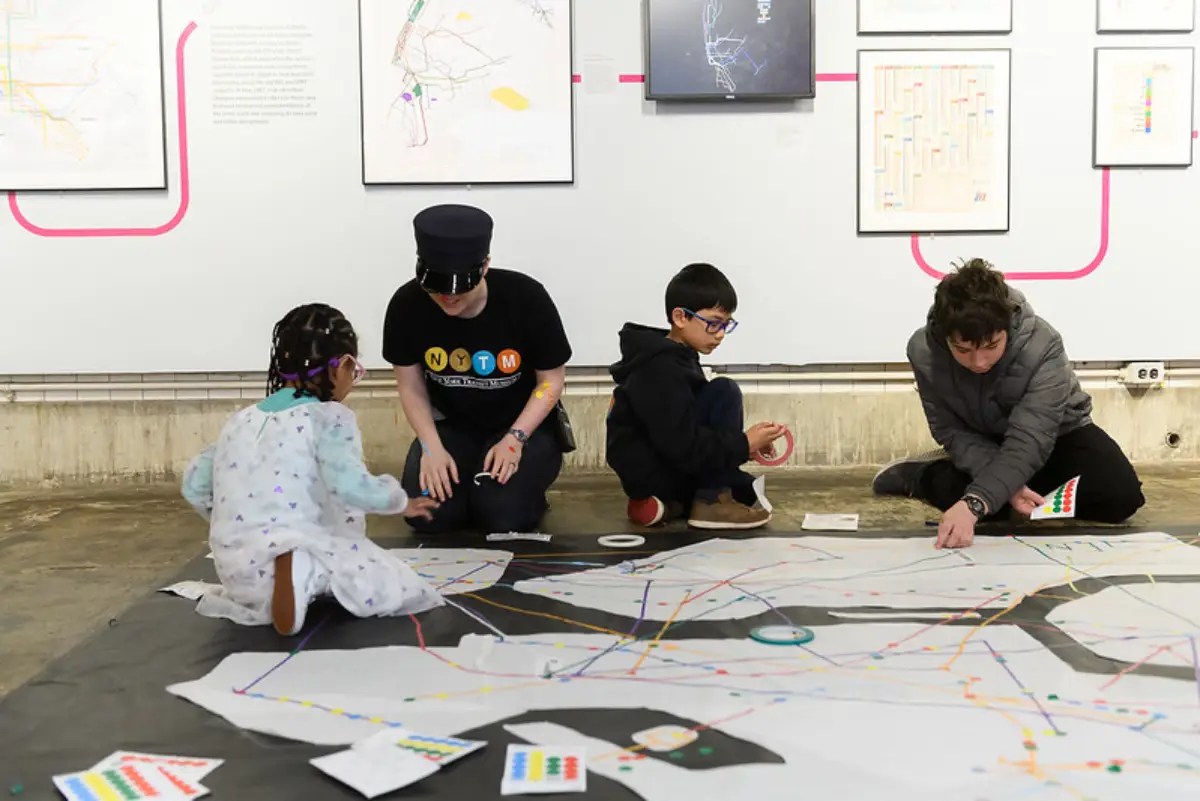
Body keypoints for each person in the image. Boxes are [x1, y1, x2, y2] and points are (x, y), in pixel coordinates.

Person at [181, 303, 444, 636]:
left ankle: (293, 575)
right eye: (354, 370)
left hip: (238, 573)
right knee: (393, 582)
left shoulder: (241, 420)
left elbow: (193, 485)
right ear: (343, 366)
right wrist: (400, 502)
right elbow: (349, 485)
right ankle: (303, 568)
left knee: (297, 564)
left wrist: (235, 519)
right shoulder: (328, 418)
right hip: (294, 548)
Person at [873, 259, 1145, 549]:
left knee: (1120, 496)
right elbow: (950, 430)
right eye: (962, 350)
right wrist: (992, 495)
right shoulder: (924, 351)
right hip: (982, 439)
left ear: (1007, 328)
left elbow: (1031, 438)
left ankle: (1004, 484)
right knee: (992, 508)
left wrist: (977, 500)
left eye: (991, 346)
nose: (979, 362)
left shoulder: (1043, 345)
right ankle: (922, 474)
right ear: (944, 335)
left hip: (1056, 434)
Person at [383, 203, 573, 534]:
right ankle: (471, 490)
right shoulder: (406, 305)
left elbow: (551, 382)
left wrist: (515, 439)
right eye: (436, 288)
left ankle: (512, 492)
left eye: (459, 288)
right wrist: (430, 446)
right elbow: (410, 385)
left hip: (522, 425)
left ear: (485, 266)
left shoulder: (526, 298)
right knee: (426, 515)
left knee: (502, 517)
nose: (447, 298)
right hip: (452, 427)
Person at [606, 263, 786, 530]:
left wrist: (747, 447)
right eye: (713, 324)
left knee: (746, 487)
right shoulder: (658, 368)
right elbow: (683, 445)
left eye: (726, 325)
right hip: (652, 470)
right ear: (680, 317)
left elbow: (691, 429)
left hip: (665, 463)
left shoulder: (679, 358)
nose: (721, 334)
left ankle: (669, 504)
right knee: (725, 391)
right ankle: (710, 502)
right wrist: (742, 443)